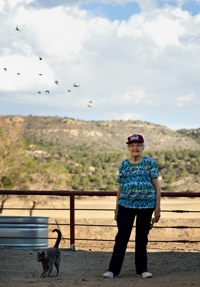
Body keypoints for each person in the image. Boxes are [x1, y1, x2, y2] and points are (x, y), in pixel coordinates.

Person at [103, 133, 161, 279]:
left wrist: (157, 207)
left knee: (141, 237)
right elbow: (120, 188)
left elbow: (156, 186)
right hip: (125, 205)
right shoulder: (124, 165)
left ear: (142, 147)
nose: (135, 148)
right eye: (132, 145)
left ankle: (142, 270)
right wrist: (116, 208)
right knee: (122, 236)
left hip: (146, 206)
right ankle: (113, 270)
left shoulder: (150, 163)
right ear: (129, 148)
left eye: (138, 145)